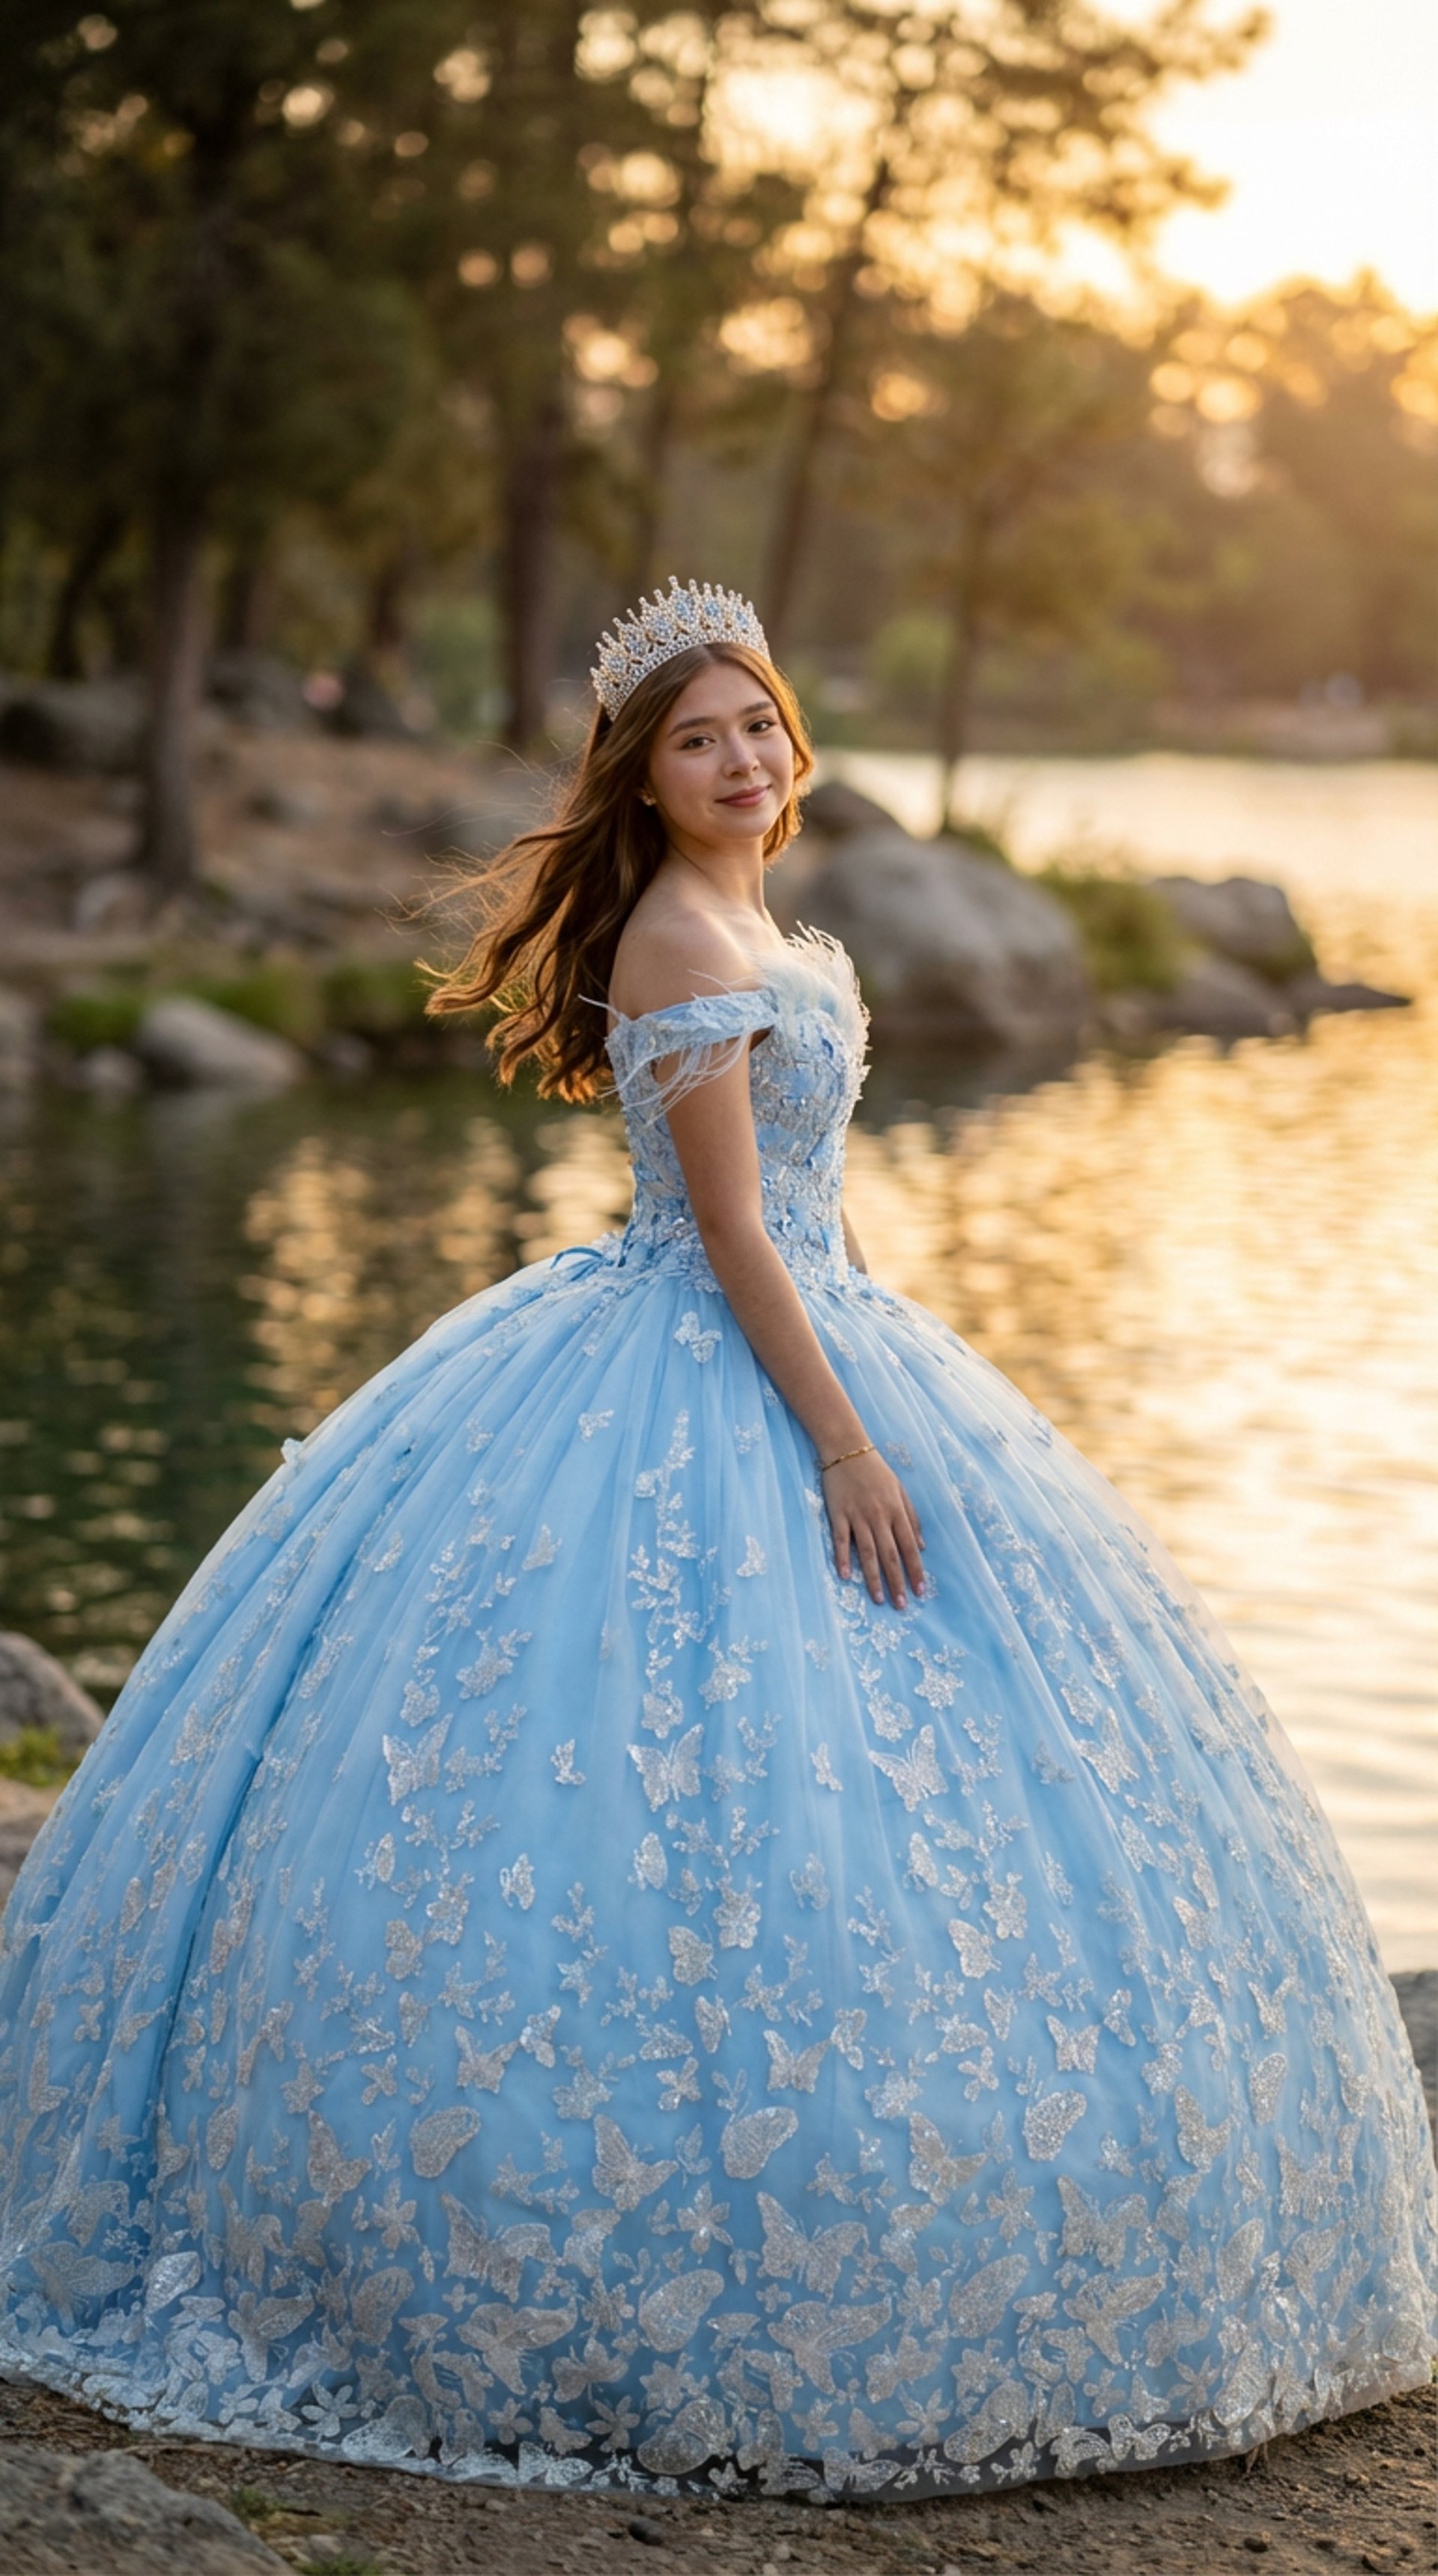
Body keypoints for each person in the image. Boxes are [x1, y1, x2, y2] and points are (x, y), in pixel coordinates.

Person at [0, 580, 1432, 2503]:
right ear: (644, 774)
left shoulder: (768, 915)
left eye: (755, 722)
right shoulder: (679, 943)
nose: (742, 757)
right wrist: (847, 1441)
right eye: (699, 738)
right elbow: (739, 1236)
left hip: (835, 1322)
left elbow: (814, 1219)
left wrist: (895, 1375)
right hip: (712, 1350)